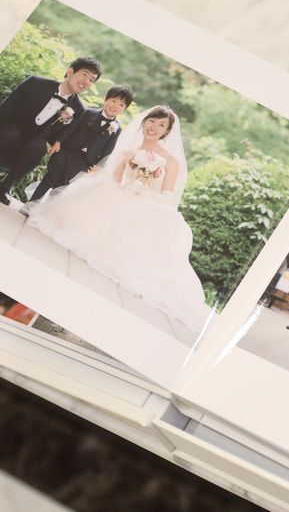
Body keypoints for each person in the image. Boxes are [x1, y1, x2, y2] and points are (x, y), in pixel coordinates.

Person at [27, 106, 208, 334]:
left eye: (161, 125)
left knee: (152, 217)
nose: (154, 127)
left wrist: (143, 189)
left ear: (166, 132)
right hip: (123, 196)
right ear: (144, 122)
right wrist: (129, 185)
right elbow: (116, 182)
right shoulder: (128, 152)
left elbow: (167, 197)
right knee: (102, 195)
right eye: (152, 121)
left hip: (148, 204)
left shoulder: (170, 161)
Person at [0, 57, 102, 204]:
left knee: (38, 147)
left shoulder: (78, 110)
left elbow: (60, 139)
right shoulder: (35, 83)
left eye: (92, 80)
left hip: (28, 146)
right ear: (70, 72)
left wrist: (66, 122)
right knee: (11, 135)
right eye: (84, 74)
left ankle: (5, 187)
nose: (87, 81)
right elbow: (5, 110)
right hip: (7, 133)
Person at [30, 85, 134, 201]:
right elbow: (71, 129)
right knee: (49, 179)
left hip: (84, 162)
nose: (116, 106)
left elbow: (108, 150)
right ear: (106, 99)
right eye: (114, 100)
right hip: (65, 151)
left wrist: (99, 166)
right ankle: (30, 205)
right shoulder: (88, 113)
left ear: (124, 109)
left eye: (121, 105)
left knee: (62, 186)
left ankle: (46, 209)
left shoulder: (116, 129)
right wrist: (58, 142)